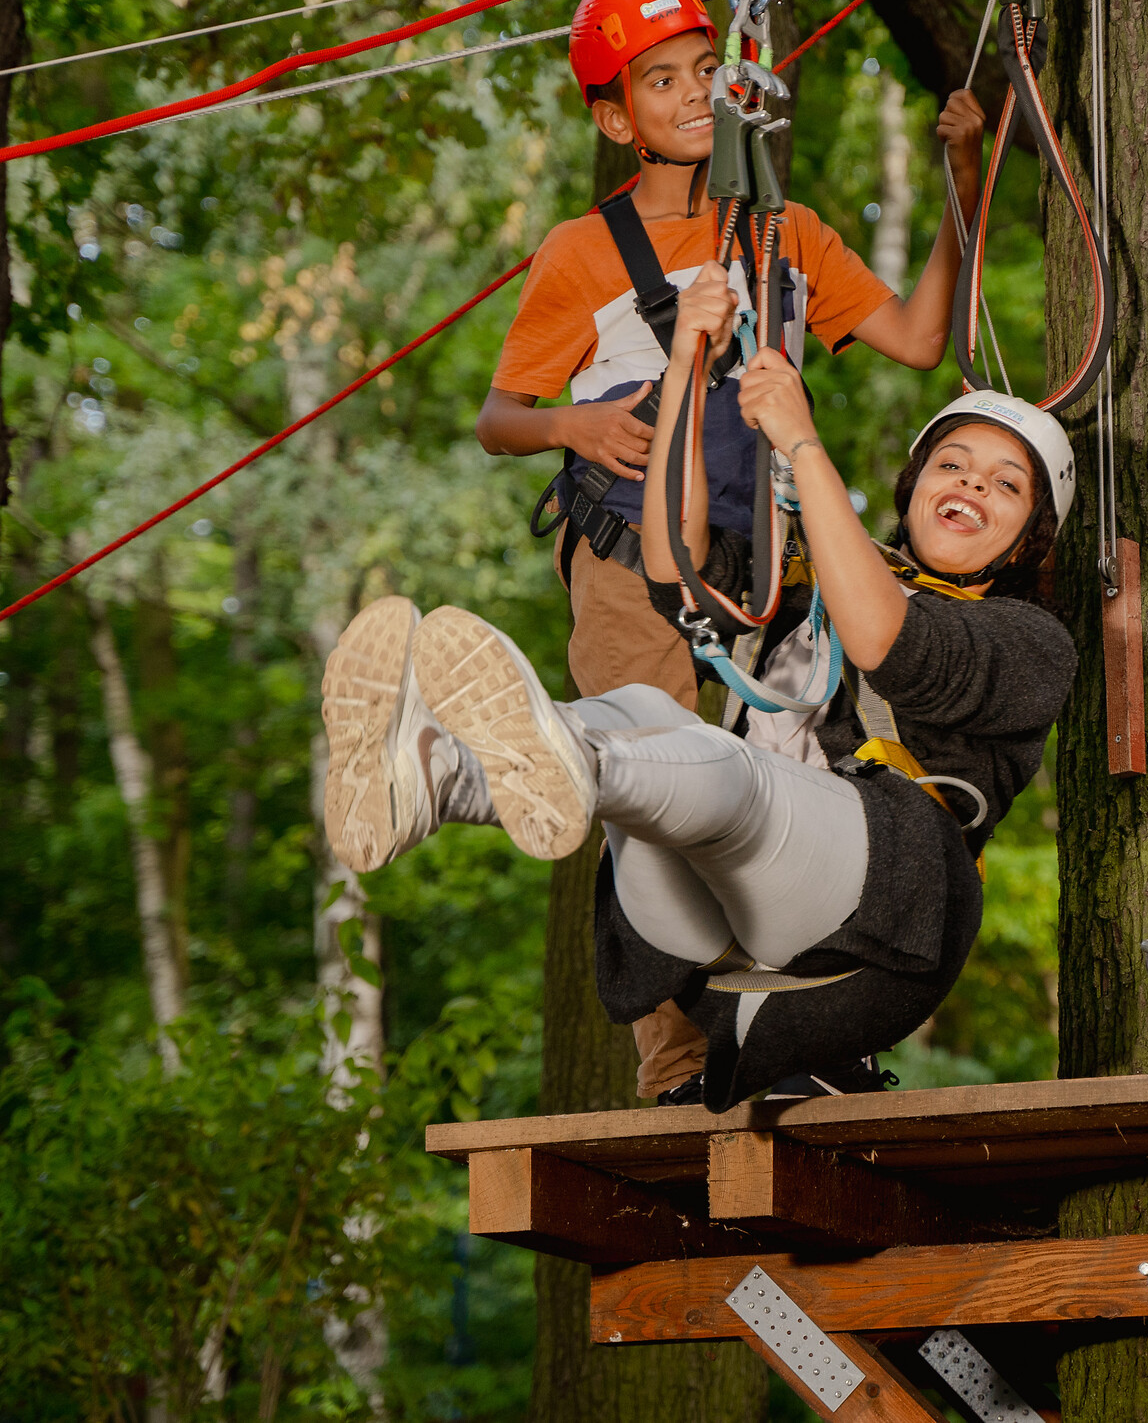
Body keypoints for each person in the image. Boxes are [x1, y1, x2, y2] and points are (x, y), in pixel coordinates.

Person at [318, 261, 1076, 1107]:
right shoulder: (809, 583)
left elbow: (887, 639)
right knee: (645, 711)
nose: (971, 482)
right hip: (708, 955)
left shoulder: (1029, 643)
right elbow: (672, 558)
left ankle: (565, 753)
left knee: (716, 762)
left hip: (867, 933)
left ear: (1029, 541)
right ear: (916, 485)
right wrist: (684, 357)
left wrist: (800, 441)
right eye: (953, 464)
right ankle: (437, 774)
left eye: (1006, 484)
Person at [445, 0, 982, 1100]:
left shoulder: (787, 234)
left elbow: (921, 339)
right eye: (658, 81)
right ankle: (673, 1062)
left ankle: (788, 1036)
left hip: (766, 572)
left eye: (701, 72)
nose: (690, 96)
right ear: (612, 115)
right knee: (650, 764)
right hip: (629, 562)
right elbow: (499, 419)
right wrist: (577, 423)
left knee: (778, 778)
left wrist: (963, 185)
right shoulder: (581, 252)